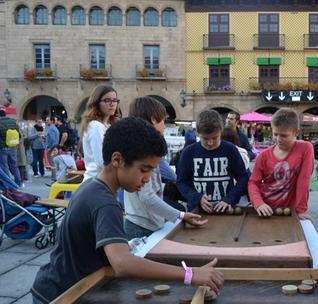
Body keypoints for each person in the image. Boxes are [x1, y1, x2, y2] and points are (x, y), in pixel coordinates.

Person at [31, 117, 224, 304]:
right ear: (117, 160)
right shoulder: (105, 203)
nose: (147, 178)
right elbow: (122, 264)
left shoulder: (92, 186)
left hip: (54, 286)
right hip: (62, 294)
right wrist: (190, 274)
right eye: (144, 169)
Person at [124, 96, 208, 238]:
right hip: (141, 226)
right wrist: (180, 215)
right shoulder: (144, 150)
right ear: (153, 120)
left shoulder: (143, 146)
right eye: (163, 120)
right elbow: (147, 196)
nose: (164, 125)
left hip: (146, 223)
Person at [177, 109, 249, 213]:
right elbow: (181, 181)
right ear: (198, 134)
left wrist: (229, 198)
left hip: (226, 209)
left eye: (215, 138)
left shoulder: (230, 149)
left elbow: (243, 177)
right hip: (198, 210)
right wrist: (197, 197)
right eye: (205, 138)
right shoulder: (188, 152)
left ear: (221, 132)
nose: (210, 143)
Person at [248, 108, 315, 220]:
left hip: (290, 211)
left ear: (296, 133)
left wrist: (301, 210)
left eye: (284, 135)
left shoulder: (306, 149)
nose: (278, 139)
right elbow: (253, 183)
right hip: (266, 209)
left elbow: (304, 180)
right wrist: (258, 203)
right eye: (276, 134)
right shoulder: (263, 156)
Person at [81, 85, 121, 182]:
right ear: (96, 103)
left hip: (103, 180)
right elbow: (102, 161)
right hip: (96, 181)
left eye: (115, 100)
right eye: (107, 100)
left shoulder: (107, 125)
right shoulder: (95, 126)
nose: (112, 104)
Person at [0, 109, 22, 185]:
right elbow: (19, 135)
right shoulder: (13, 122)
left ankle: (8, 184)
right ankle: (19, 182)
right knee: (14, 165)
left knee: (4, 166)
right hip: (13, 147)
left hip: (3, 148)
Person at [45, 117, 60, 181]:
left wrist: (50, 148)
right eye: (46, 120)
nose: (46, 122)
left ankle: (54, 179)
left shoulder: (51, 129)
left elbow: (53, 139)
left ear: (52, 121)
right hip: (55, 147)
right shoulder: (55, 128)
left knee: (52, 164)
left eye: (48, 120)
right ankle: (55, 178)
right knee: (54, 164)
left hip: (52, 148)